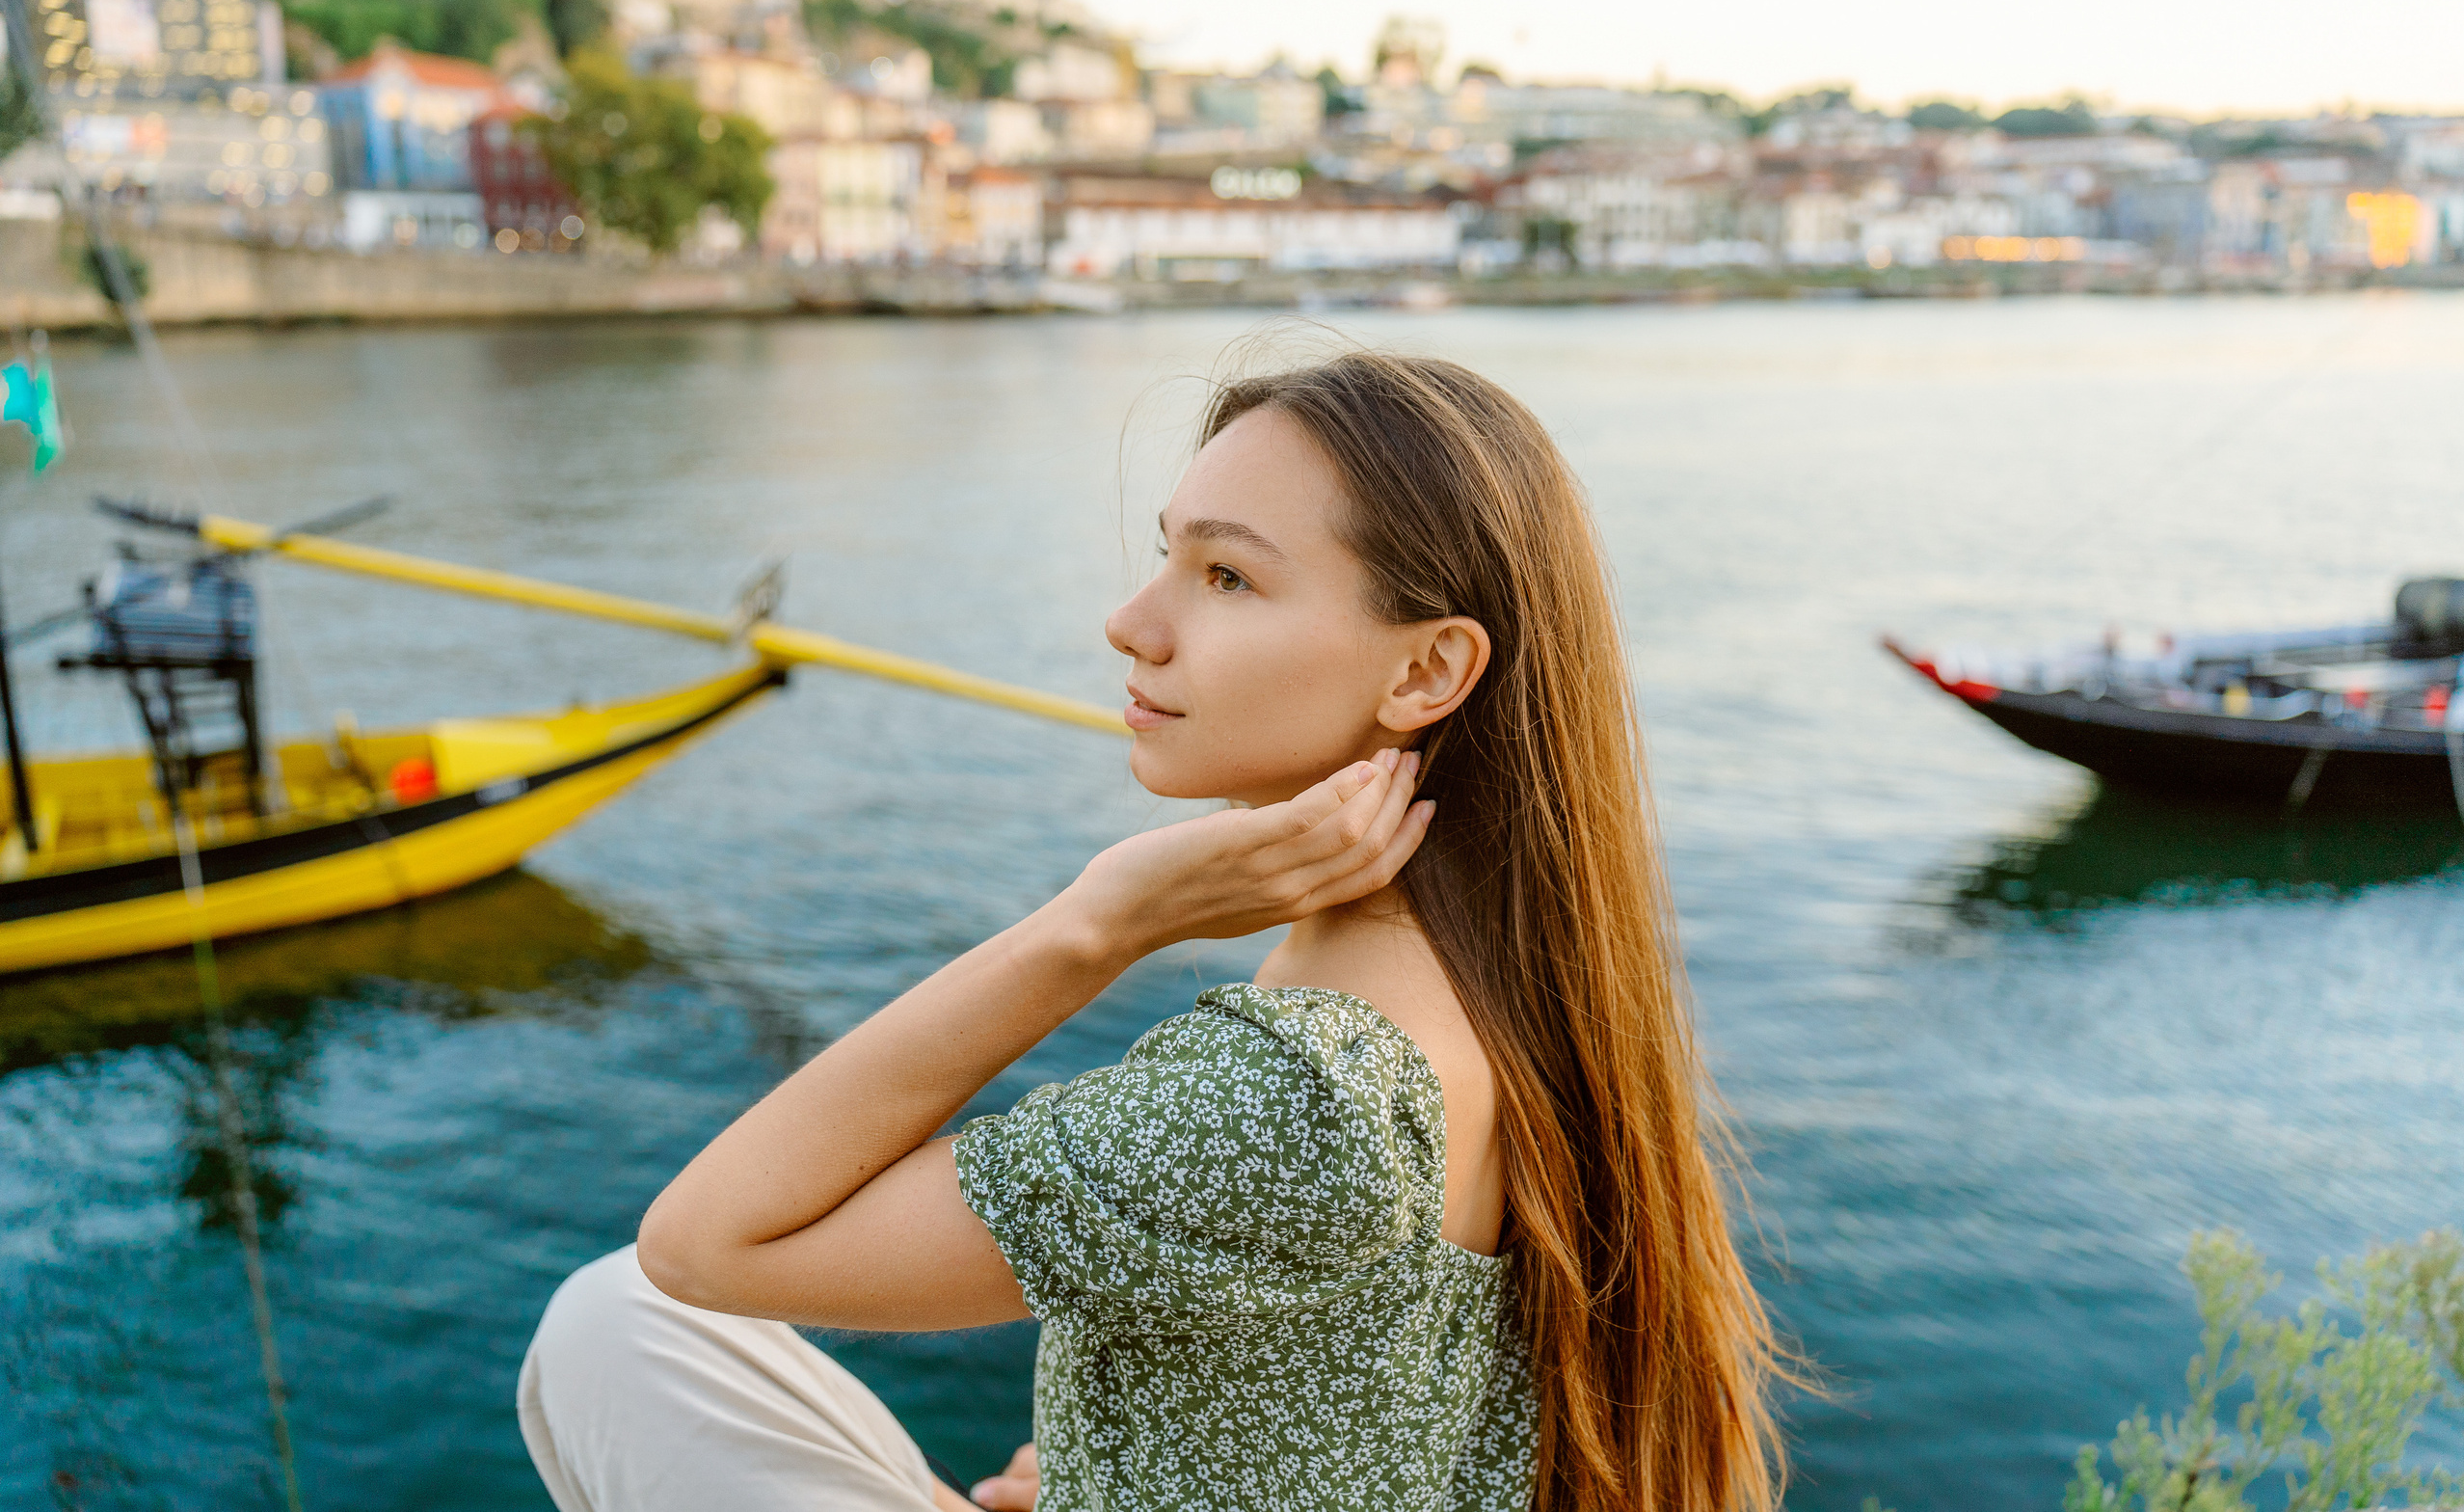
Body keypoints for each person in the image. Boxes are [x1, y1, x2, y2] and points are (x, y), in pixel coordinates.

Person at [518, 350, 1794, 1512]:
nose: (1133, 623)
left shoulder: (1304, 1093)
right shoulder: (1503, 969)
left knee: (612, 1317)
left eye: (1226, 575)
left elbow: (707, 1244)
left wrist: (1097, 922)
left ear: (1424, 674)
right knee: (622, 1323)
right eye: (1168, 554)